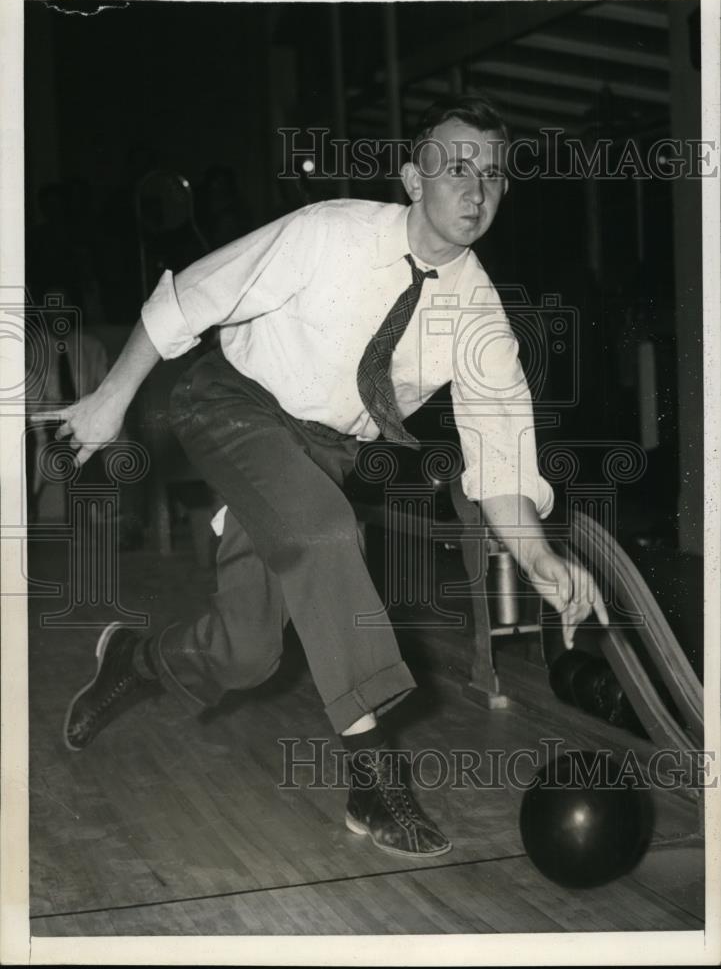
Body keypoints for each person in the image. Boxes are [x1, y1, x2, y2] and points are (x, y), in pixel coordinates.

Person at [35, 94, 608, 859]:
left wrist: (538, 558)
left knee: (249, 652)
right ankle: (373, 780)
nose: (476, 189)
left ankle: (137, 660)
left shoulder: (480, 320)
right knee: (327, 530)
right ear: (412, 177)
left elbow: (499, 454)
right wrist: (110, 400)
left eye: (495, 175)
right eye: (457, 166)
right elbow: (192, 296)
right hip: (232, 402)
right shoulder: (327, 232)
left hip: (321, 452)